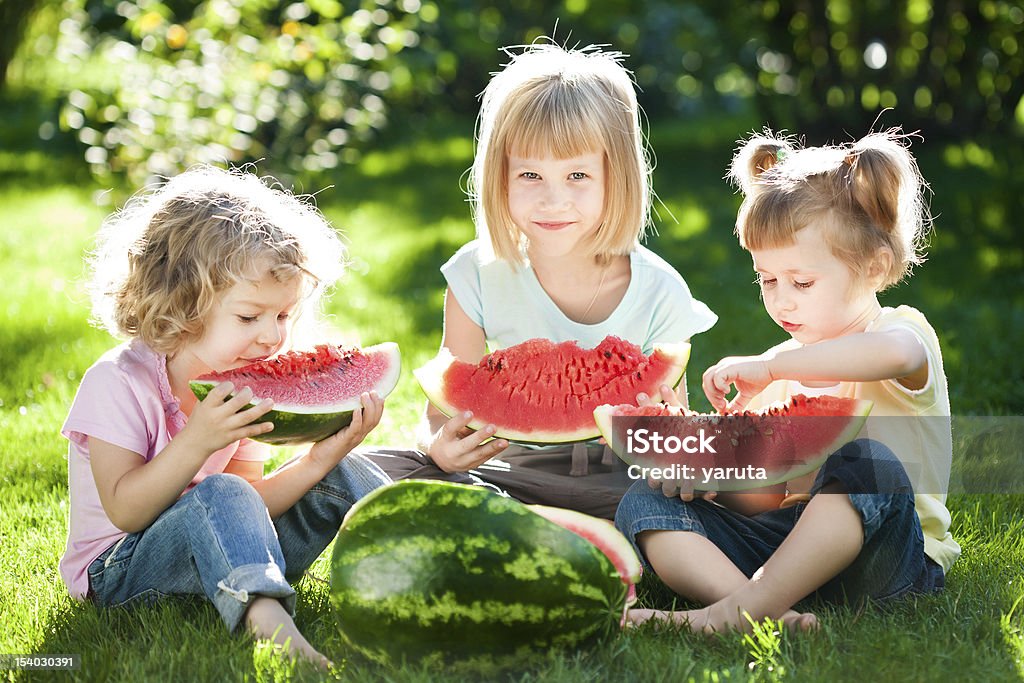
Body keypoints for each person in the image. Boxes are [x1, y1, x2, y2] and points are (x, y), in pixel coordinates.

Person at [614, 129, 959, 632]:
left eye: (801, 282)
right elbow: (767, 492)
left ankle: (731, 614)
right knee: (641, 501)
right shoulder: (778, 365)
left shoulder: (902, 333)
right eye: (766, 280)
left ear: (874, 267)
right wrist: (707, 476)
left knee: (869, 462)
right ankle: (765, 611)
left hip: (888, 561)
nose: (781, 300)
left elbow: (890, 355)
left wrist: (776, 368)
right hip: (786, 556)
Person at [363, 41, 716, 519]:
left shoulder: (660, 291)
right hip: (505, 474)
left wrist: (676, 457)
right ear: (498, 177)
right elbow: (441, 413)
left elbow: (672, 420)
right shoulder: (475, 275)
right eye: (530, 174)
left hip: (622, 484)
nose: (553, 201)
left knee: (720, 489)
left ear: (618, 177)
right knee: (366, 470)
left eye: (577, 175)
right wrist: (438, 448)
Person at [60, 165, 390, 667]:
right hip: (121, 571)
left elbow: (250, 505)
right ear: (182, 303)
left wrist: (321, 460)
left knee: (343, 472)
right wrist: (198, 440)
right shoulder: (116, 383)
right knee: (220, 491)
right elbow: (126, 511)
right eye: (248, 316)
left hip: (227, 554)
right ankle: (271, 625)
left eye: (282, 315)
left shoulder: (246, 382)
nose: (272, 337)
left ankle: (432, 568)